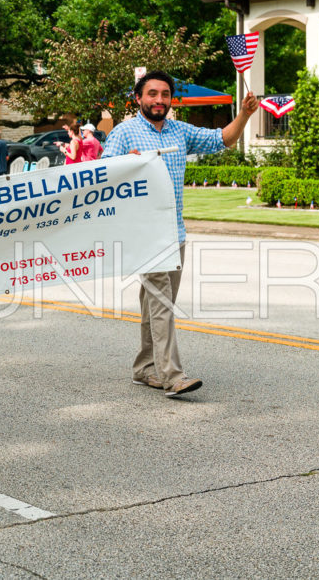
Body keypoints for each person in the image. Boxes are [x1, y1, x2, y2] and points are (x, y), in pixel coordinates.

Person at [102, 70, 259, 397]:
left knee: (154, 303)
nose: (159, 100)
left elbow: (222, 140)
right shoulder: (124, 133)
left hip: (175, 231)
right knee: (161, 304)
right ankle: (173, 376)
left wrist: (244, 114)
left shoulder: (180, 131)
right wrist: (124, 165)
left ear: (170, 100)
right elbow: (102, 176)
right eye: (152, 94)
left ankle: (145, 368)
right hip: (144, 233)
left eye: (164, 95)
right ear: (139, 98)